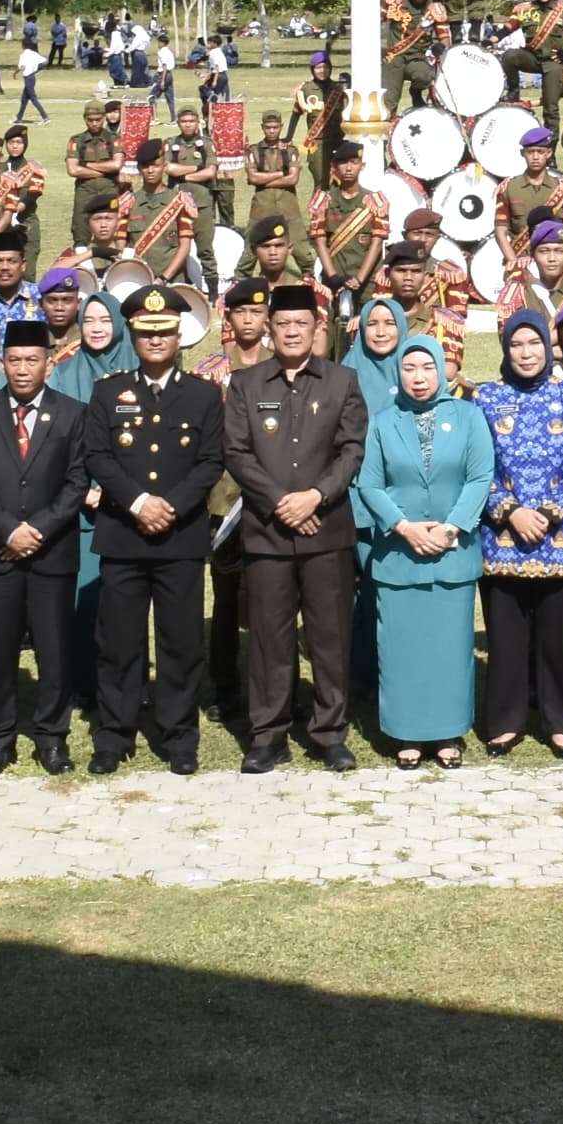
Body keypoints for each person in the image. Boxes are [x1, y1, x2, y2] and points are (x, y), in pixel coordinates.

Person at [81, 284, 224, 776]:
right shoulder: (108, 391)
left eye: (164, 332)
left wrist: (172, 505)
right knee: (119, 643)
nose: (156, 340)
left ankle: (179, 736)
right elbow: (97, 455)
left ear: (179, 336)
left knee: (180, 642)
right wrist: (140, 502)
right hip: (124, 533)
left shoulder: (204, 395)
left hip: (180, 537)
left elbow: (211, 461)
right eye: (146, 332)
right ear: (133, 336)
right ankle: (113, 734)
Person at [222, 283, 364, 774]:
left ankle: (330, 734)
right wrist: (281, 501)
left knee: (329, 638)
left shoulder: (342, 381)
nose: (291, 332)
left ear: (316, 328)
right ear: (268, 328)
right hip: (268, 532)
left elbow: (352, 449)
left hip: (327, 531)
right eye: (282, 324)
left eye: (301, 323)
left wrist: (315, 497)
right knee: (269, 639)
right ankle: (269, 735)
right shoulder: (245, 384)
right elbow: (236, 451)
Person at [0, 315, 91, 775]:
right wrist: (7, 531)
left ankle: (52, 738)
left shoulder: (73, 413)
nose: (22, 369)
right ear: (2, 363)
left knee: (54, 651)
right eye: (14, 360)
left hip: (51, 552)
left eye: (31, 360)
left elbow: (77, 482)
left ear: (48, 364)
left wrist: (36, 530)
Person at [357, 330, 492, 768]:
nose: (419, 377)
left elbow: (480, 477)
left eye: (428, 367)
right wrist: (403, 527)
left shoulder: (469, 416)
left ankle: (448, 733)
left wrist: (451, 529)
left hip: (453, 554)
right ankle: (407, 734)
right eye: (410, 368)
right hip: (399, 556)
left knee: (449, 651)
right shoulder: (383, 421)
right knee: (402, 650)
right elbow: (369, 484)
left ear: (442, 370)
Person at [476, 310, 563, 758]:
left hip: (560, 536)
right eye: (516, 344)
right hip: (502, 537)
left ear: (548, 349)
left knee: (558, 639)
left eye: (533, 344)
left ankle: (560, 723)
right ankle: (505, 721)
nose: (525, 353)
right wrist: (511, 512)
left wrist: (547, 512)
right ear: (505, 349)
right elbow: (477, 465)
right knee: (506, 638)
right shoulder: (486, 398)